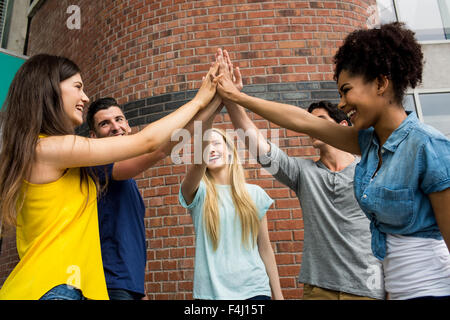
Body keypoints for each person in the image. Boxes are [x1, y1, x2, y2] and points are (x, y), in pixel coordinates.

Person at [214, 22, 450, 300]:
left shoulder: (428, 147)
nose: (341, 103)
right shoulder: (369, 145)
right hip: (392, 292)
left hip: (430, 290)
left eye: (346, 90)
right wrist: (235, 98)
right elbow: (301, 121)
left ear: (381, 83)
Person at [0, 54, 219, 300]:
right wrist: (199, 100)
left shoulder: (58, 156)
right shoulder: (48, 149)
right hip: (52, 289)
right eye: (78, 87)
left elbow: (158, 147)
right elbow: (148, 143)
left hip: (70, 289)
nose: (85, 97)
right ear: (49, 90)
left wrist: (213, 104)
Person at [86, 96, 224, 300]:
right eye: (105, 123)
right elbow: (160, 149)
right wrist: (208, 103)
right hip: (109, 284)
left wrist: (140, 289)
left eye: (119, 119)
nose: (115, 127)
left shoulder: (126, 178)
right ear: (93, 135)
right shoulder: (97, 165)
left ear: (128, 125)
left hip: (129, 285)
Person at [178, 103, 283, 299]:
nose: (211, 149)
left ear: (229, 150)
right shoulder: (196, 193)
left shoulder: (255, 194)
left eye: (217, 143)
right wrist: (212, 105)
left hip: (255, 290)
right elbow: (198, 161)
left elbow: (265, 248)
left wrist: (278, 296)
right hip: (211, 294)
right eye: (206, 145)